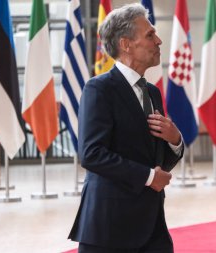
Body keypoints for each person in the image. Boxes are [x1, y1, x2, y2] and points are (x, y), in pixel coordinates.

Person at [68, 3, 184, 253]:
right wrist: (150, 177)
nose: (159, 41)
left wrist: (175, 140)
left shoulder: (152, 92)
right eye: (150, 35)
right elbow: (91, 154)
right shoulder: (99, 89)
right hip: (109, 227)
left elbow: (157, 160)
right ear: (126, 44)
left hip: (152, 227)